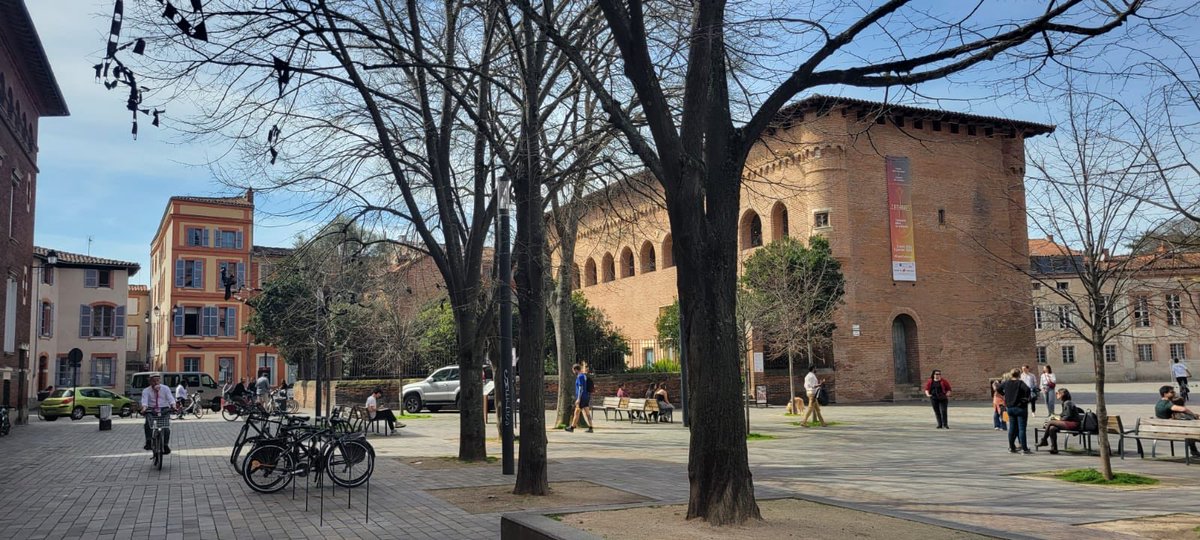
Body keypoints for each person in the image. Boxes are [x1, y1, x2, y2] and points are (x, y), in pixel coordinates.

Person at [1155, 385, 1199, 457]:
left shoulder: (1159, 403)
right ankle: (1194, 451)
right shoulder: (1167, 404)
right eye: (1172, 392)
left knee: (1189, 432)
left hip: (1164, 429)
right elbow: (1183, 409)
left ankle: (1194, 451)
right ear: (1165, 394)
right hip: (1173, 431)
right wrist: (1194, 415)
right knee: (1191, 432)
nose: (1174, 393)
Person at [997, 368, 1033, 454]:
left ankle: (1011, 447)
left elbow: (998, 389)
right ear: (1019, 375)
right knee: (1021, 429)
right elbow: (1027, 390)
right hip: (1020, 408)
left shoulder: (1006, 383)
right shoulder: (1020, 383)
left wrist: (1004, 394)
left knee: (1012, 428)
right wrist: (1025, 399)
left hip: (1010, 408)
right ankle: (1024, 448)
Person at [140, 373, 178, 454]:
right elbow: (145, 402)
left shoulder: (165, 388)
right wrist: (144, 409)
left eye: (157, 380)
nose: (156, 383)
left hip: (164, 409)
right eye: (154, 381)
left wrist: (174, 406)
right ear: (150, 382)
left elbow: (171, 399)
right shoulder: (146, 391)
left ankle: (165, 445)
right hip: (151, 409)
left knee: (166, 428)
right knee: (148, 423)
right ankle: (149, 441)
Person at [1036, 388, 1080, 454]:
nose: (1056, 394)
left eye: (1058, 393)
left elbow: (1068, 416)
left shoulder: (1068, 403)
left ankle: (1044, 440)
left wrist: (1058, 419)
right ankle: (1054, 448)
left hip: (1073, 424)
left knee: (1051, 422)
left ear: (1062, 395)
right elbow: (1063, 415)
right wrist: (1056, 417)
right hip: (1068, 422)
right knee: (1052, 428)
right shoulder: (1065, 403)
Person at [565, 363, 593, 433]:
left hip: (582, 397)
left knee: (576, 412)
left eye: (573, 371)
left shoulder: (579, 377)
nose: (573, 372)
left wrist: (578, 398)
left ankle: (572, 427)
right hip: (586, 396)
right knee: (587, 413)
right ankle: (591, 427)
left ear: (576, 370)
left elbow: (581, 387)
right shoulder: (584, 376)